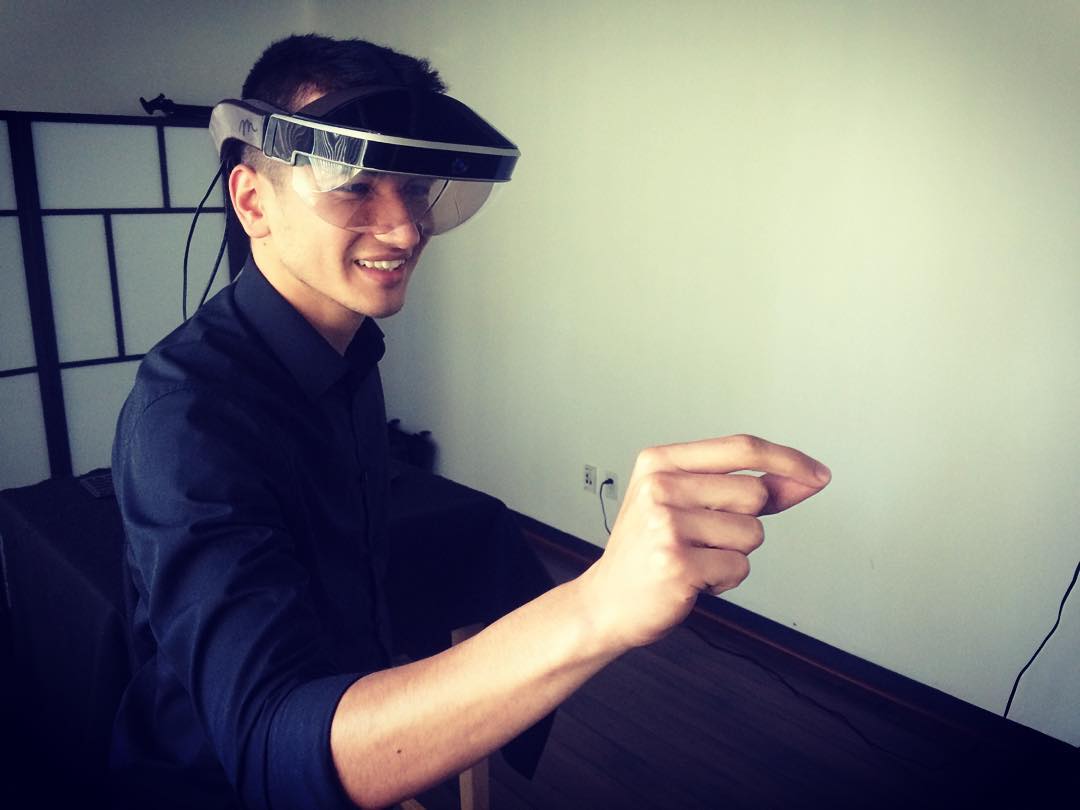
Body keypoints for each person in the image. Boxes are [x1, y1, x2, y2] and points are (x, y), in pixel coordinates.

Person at [111, 33, 831, 810]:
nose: (405, 229)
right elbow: (269, 749)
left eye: (415, 186)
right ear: (254, 201)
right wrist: (598, 603)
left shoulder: (349, 356)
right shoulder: (188, 418)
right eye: (355, 185)